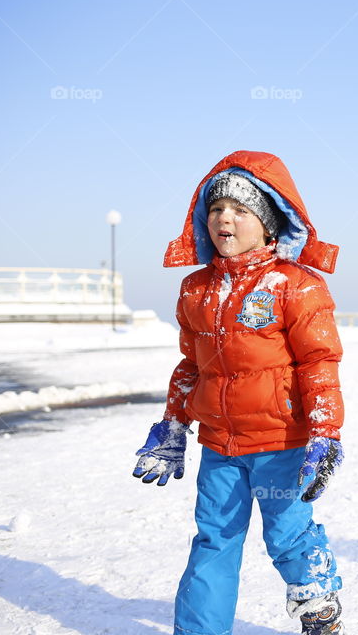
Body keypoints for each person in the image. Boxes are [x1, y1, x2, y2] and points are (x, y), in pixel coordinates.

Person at [131, 151, 346, 635]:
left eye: (240, 210)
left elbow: (319, 362)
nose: (224, 217)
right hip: (220, 445)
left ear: (268, 224)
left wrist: (324, 432)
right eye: (215, 208)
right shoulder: (195, 289)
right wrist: (173, 424)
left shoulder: (295, 286)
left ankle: (318, 608)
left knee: (288, 534)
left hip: (281, 442)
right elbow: (192, 365)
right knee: (214, 540)